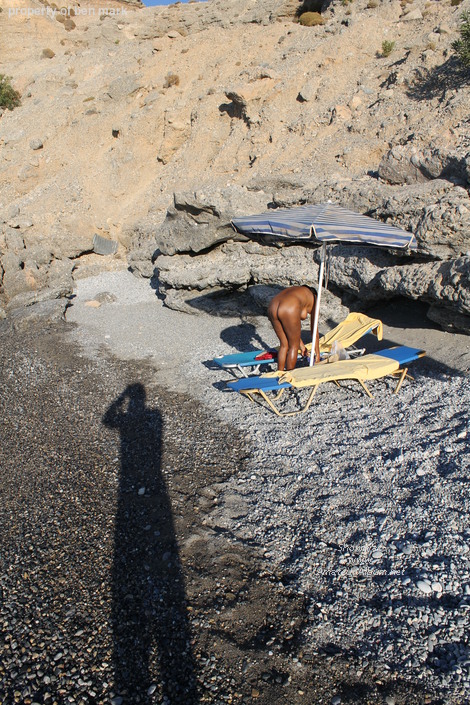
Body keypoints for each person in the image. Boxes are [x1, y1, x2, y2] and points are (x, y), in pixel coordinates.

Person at [267, 285, 320, 371]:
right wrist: (317, 355)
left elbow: (292, 331)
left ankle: (279, 373)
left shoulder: (298, 292)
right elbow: (314, 331)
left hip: (272, 306)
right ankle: (289, 374)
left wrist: (302, 347)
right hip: (289, 306)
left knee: (284, 345)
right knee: (293, 347)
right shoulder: (314, 298)